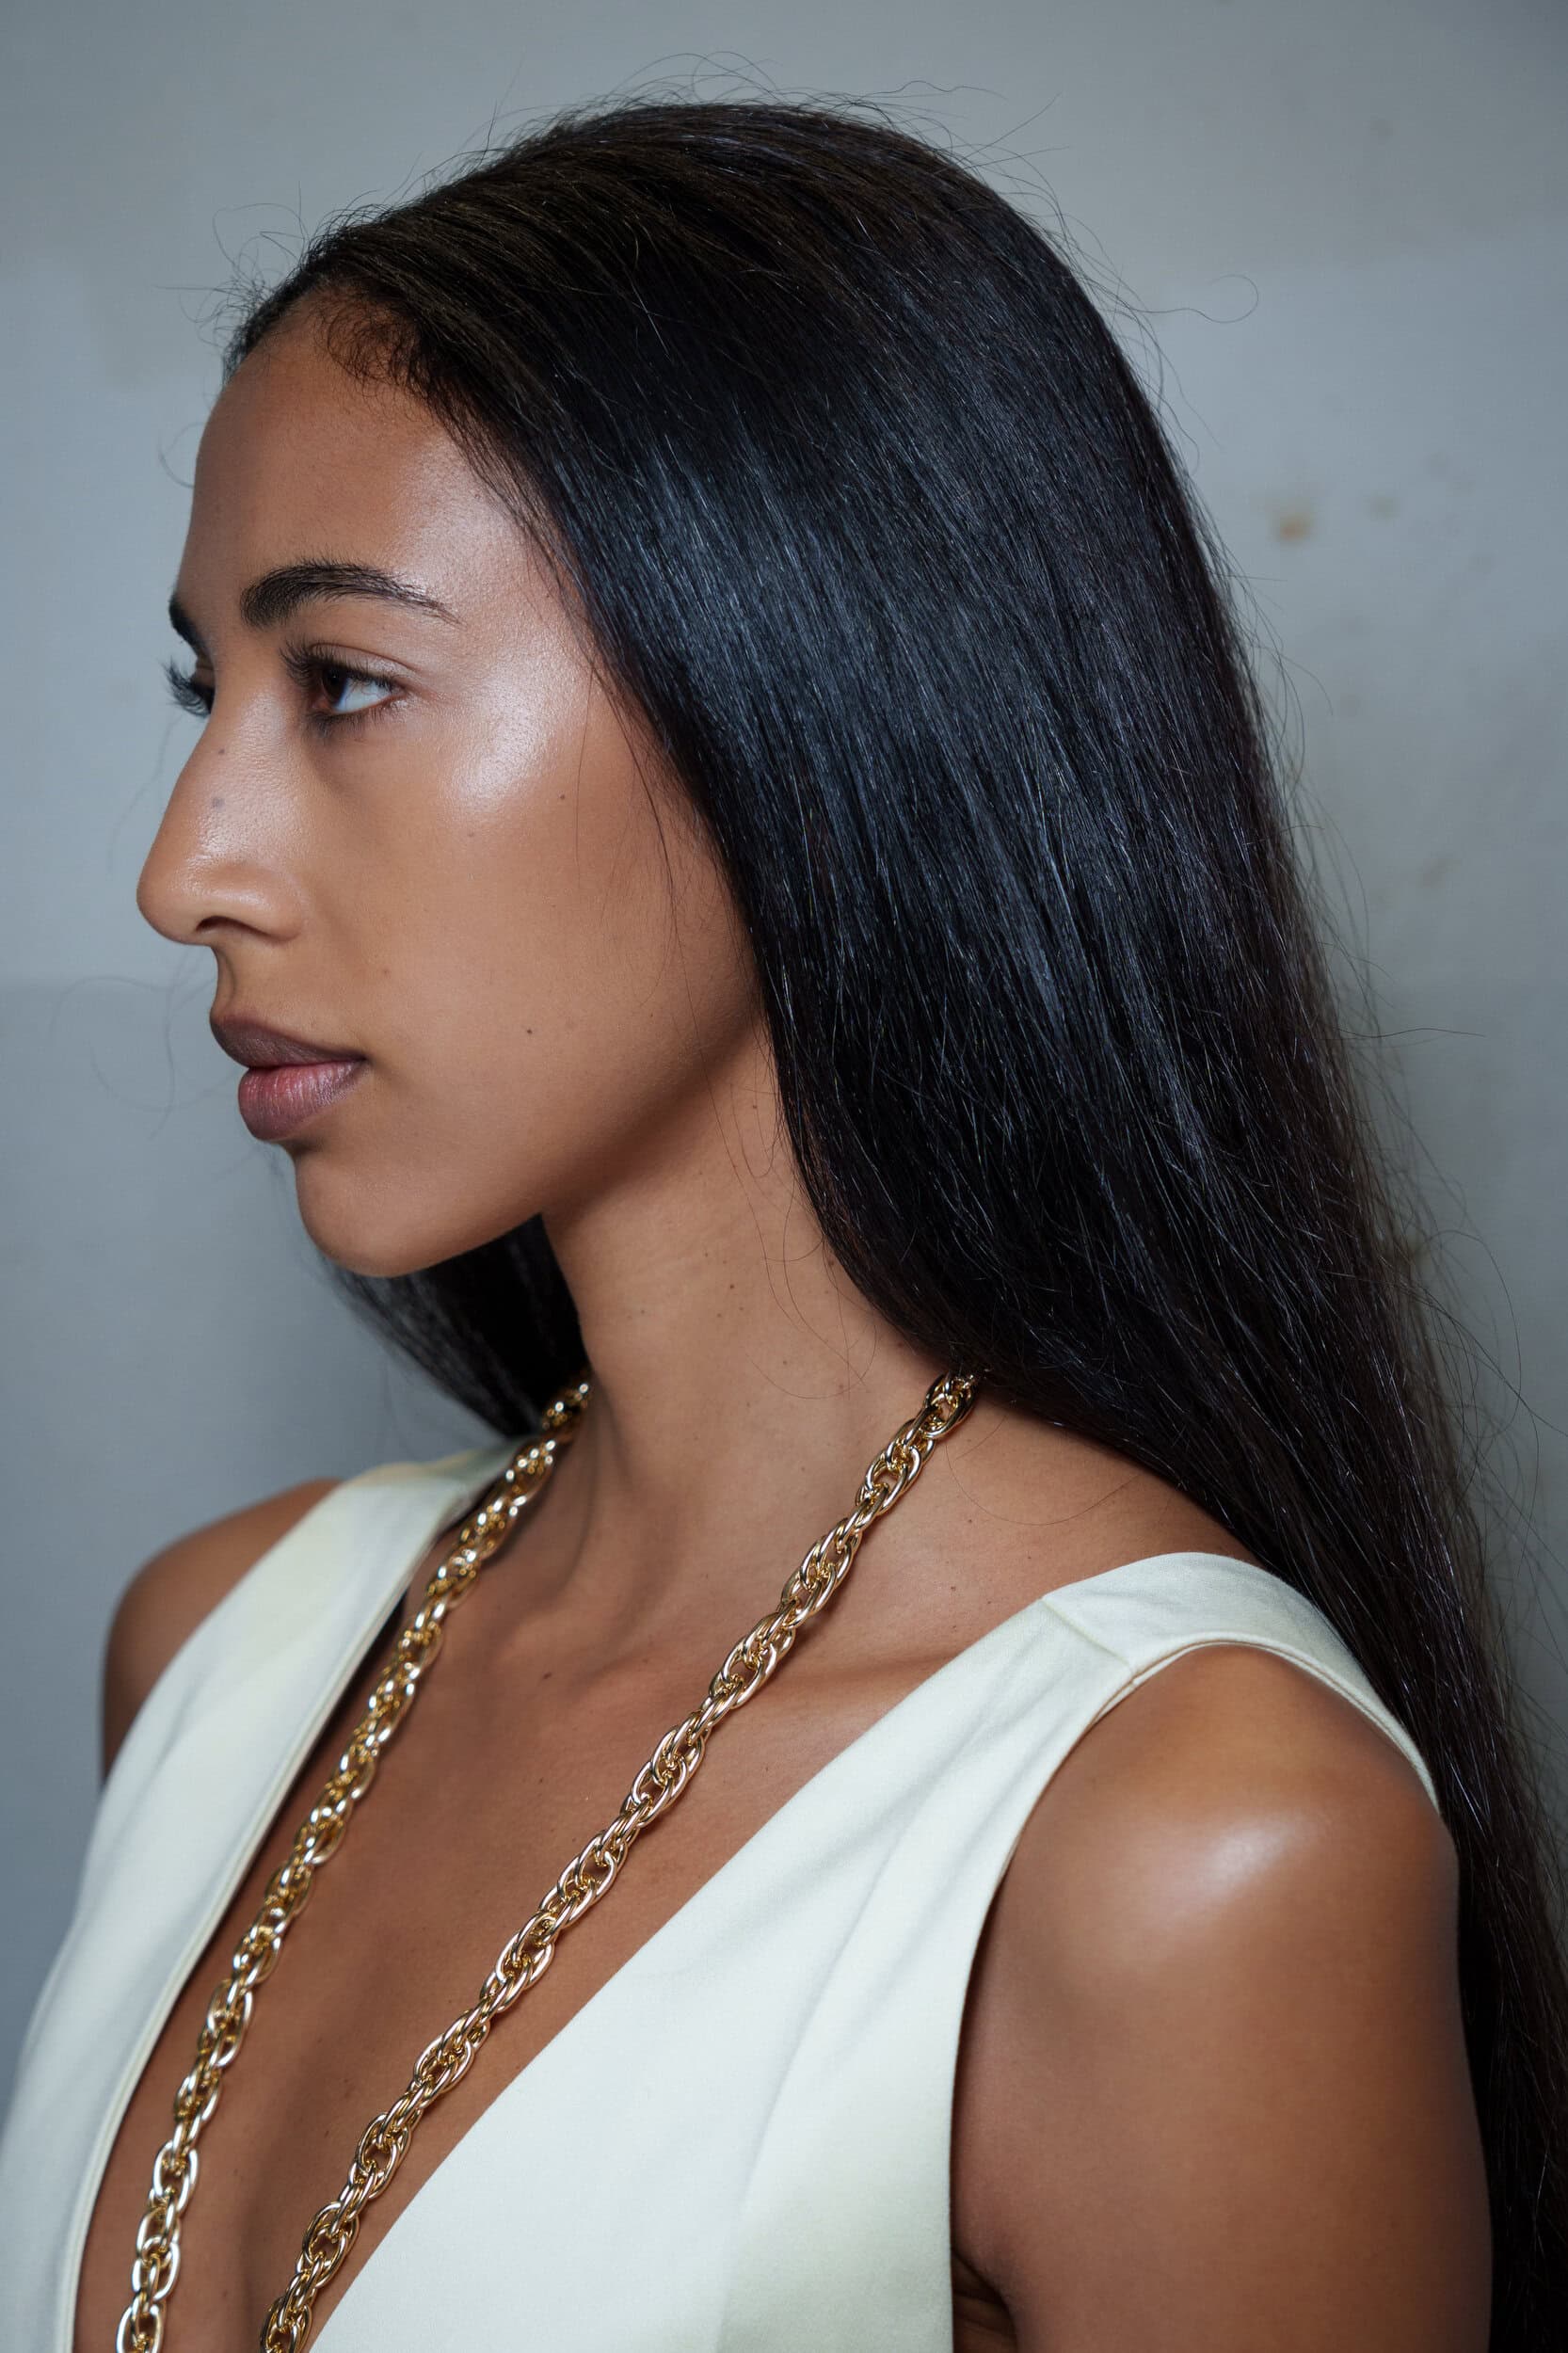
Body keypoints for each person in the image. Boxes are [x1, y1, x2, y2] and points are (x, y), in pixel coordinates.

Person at [4, 93, 1559, 2353]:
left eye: (341, 682)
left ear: (807, 704)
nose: (184, 869)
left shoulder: (1177, 1838)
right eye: (202, 689)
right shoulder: (222, 1651)